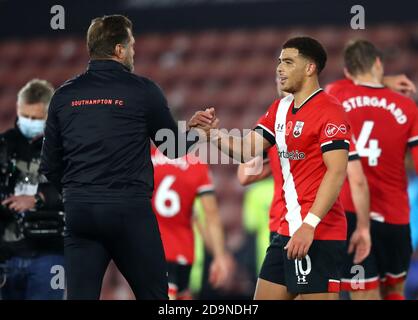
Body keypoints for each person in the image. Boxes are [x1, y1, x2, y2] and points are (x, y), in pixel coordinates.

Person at [39, 15, 201, 300]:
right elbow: (173, 147)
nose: (134, 51)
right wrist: (198, 131)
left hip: (80, 213)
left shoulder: (64, 95)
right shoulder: (143, 91)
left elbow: (50, 166)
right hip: (129, 212)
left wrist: (78, 191)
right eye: (132, 45)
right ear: (119, 50)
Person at [189, 36, 351, 300]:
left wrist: (309, 225)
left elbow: (336, 172)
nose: (279, 68)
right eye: (279, 62)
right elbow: (246, 150)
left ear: (310, 68)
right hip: (284, 233)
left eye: (288, 62)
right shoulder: (279, 108)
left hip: (318, 233)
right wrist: (212, 135)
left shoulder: (330, 111)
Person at [326, 40, 418, 300]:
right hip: (395, 216)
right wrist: (386, 83)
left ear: (347, 72)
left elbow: (335, 87)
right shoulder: (408, 107)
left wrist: (384, 80)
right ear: (378, 63)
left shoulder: (336, 95)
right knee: (395, 292)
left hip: (352, 214)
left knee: (363, 294)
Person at [0, 79, 64, 300]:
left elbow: (79, 191)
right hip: (6, 253)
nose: (29, 122)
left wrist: (38, 199)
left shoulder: (65, 149)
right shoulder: (4, 144)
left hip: (50, 253)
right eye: (25, 116)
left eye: (36, 118)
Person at [150, 146, 229, 300]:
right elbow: (211, 214)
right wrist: (220, 257)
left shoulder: (144, 158)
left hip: (151, 249)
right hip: (183, 252)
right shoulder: (196, 164)